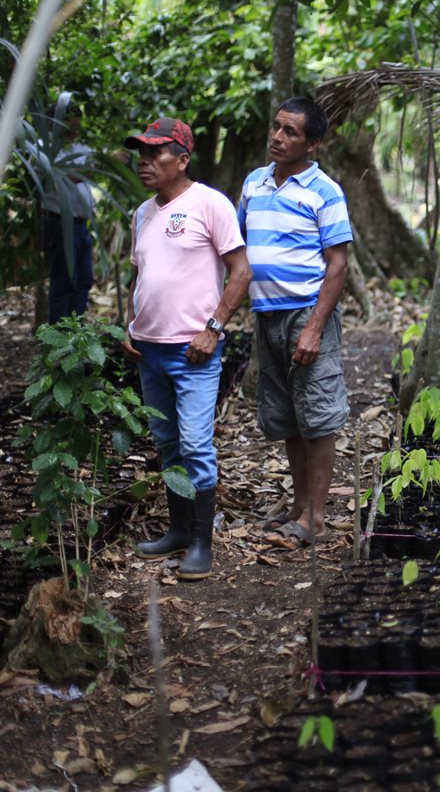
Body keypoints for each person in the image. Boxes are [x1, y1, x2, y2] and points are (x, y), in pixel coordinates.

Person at [121, 117, 252, 580]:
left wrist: (213, 328)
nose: (145, 161)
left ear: (181, 159)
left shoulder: (209, 204)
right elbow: (140, 275)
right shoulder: (141, 213)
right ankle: (178, 531)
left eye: (155, 153)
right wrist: (128, 325)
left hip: (194, 351)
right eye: (141, 153)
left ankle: (201, 544)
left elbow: (241, 271)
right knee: (167, 443)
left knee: (196, 445)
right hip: (148, 350)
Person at [237, 97, 352, 546]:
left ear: (313, 144)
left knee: (318, 416)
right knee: (287, 414)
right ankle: (300, 508)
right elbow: (243, 245)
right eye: (277, 128)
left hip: (306, 310)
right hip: (266, 313)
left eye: (290, 132)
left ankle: (317, 519)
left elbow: (337, 265)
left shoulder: (326, 191)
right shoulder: (253, 183)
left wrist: (314, 327)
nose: (277, 137)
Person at [43, 104, 96, 322]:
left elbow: (92, 170)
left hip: (81, 225)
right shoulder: (44, 148)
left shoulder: (80, 149)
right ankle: (58, 339)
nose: (75, 126)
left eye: (77, 122)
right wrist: (99, 165)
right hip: (60, 223)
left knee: (83, 281)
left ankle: (77, 336)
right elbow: (63, 176)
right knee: (64, 282)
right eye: (70, 121)